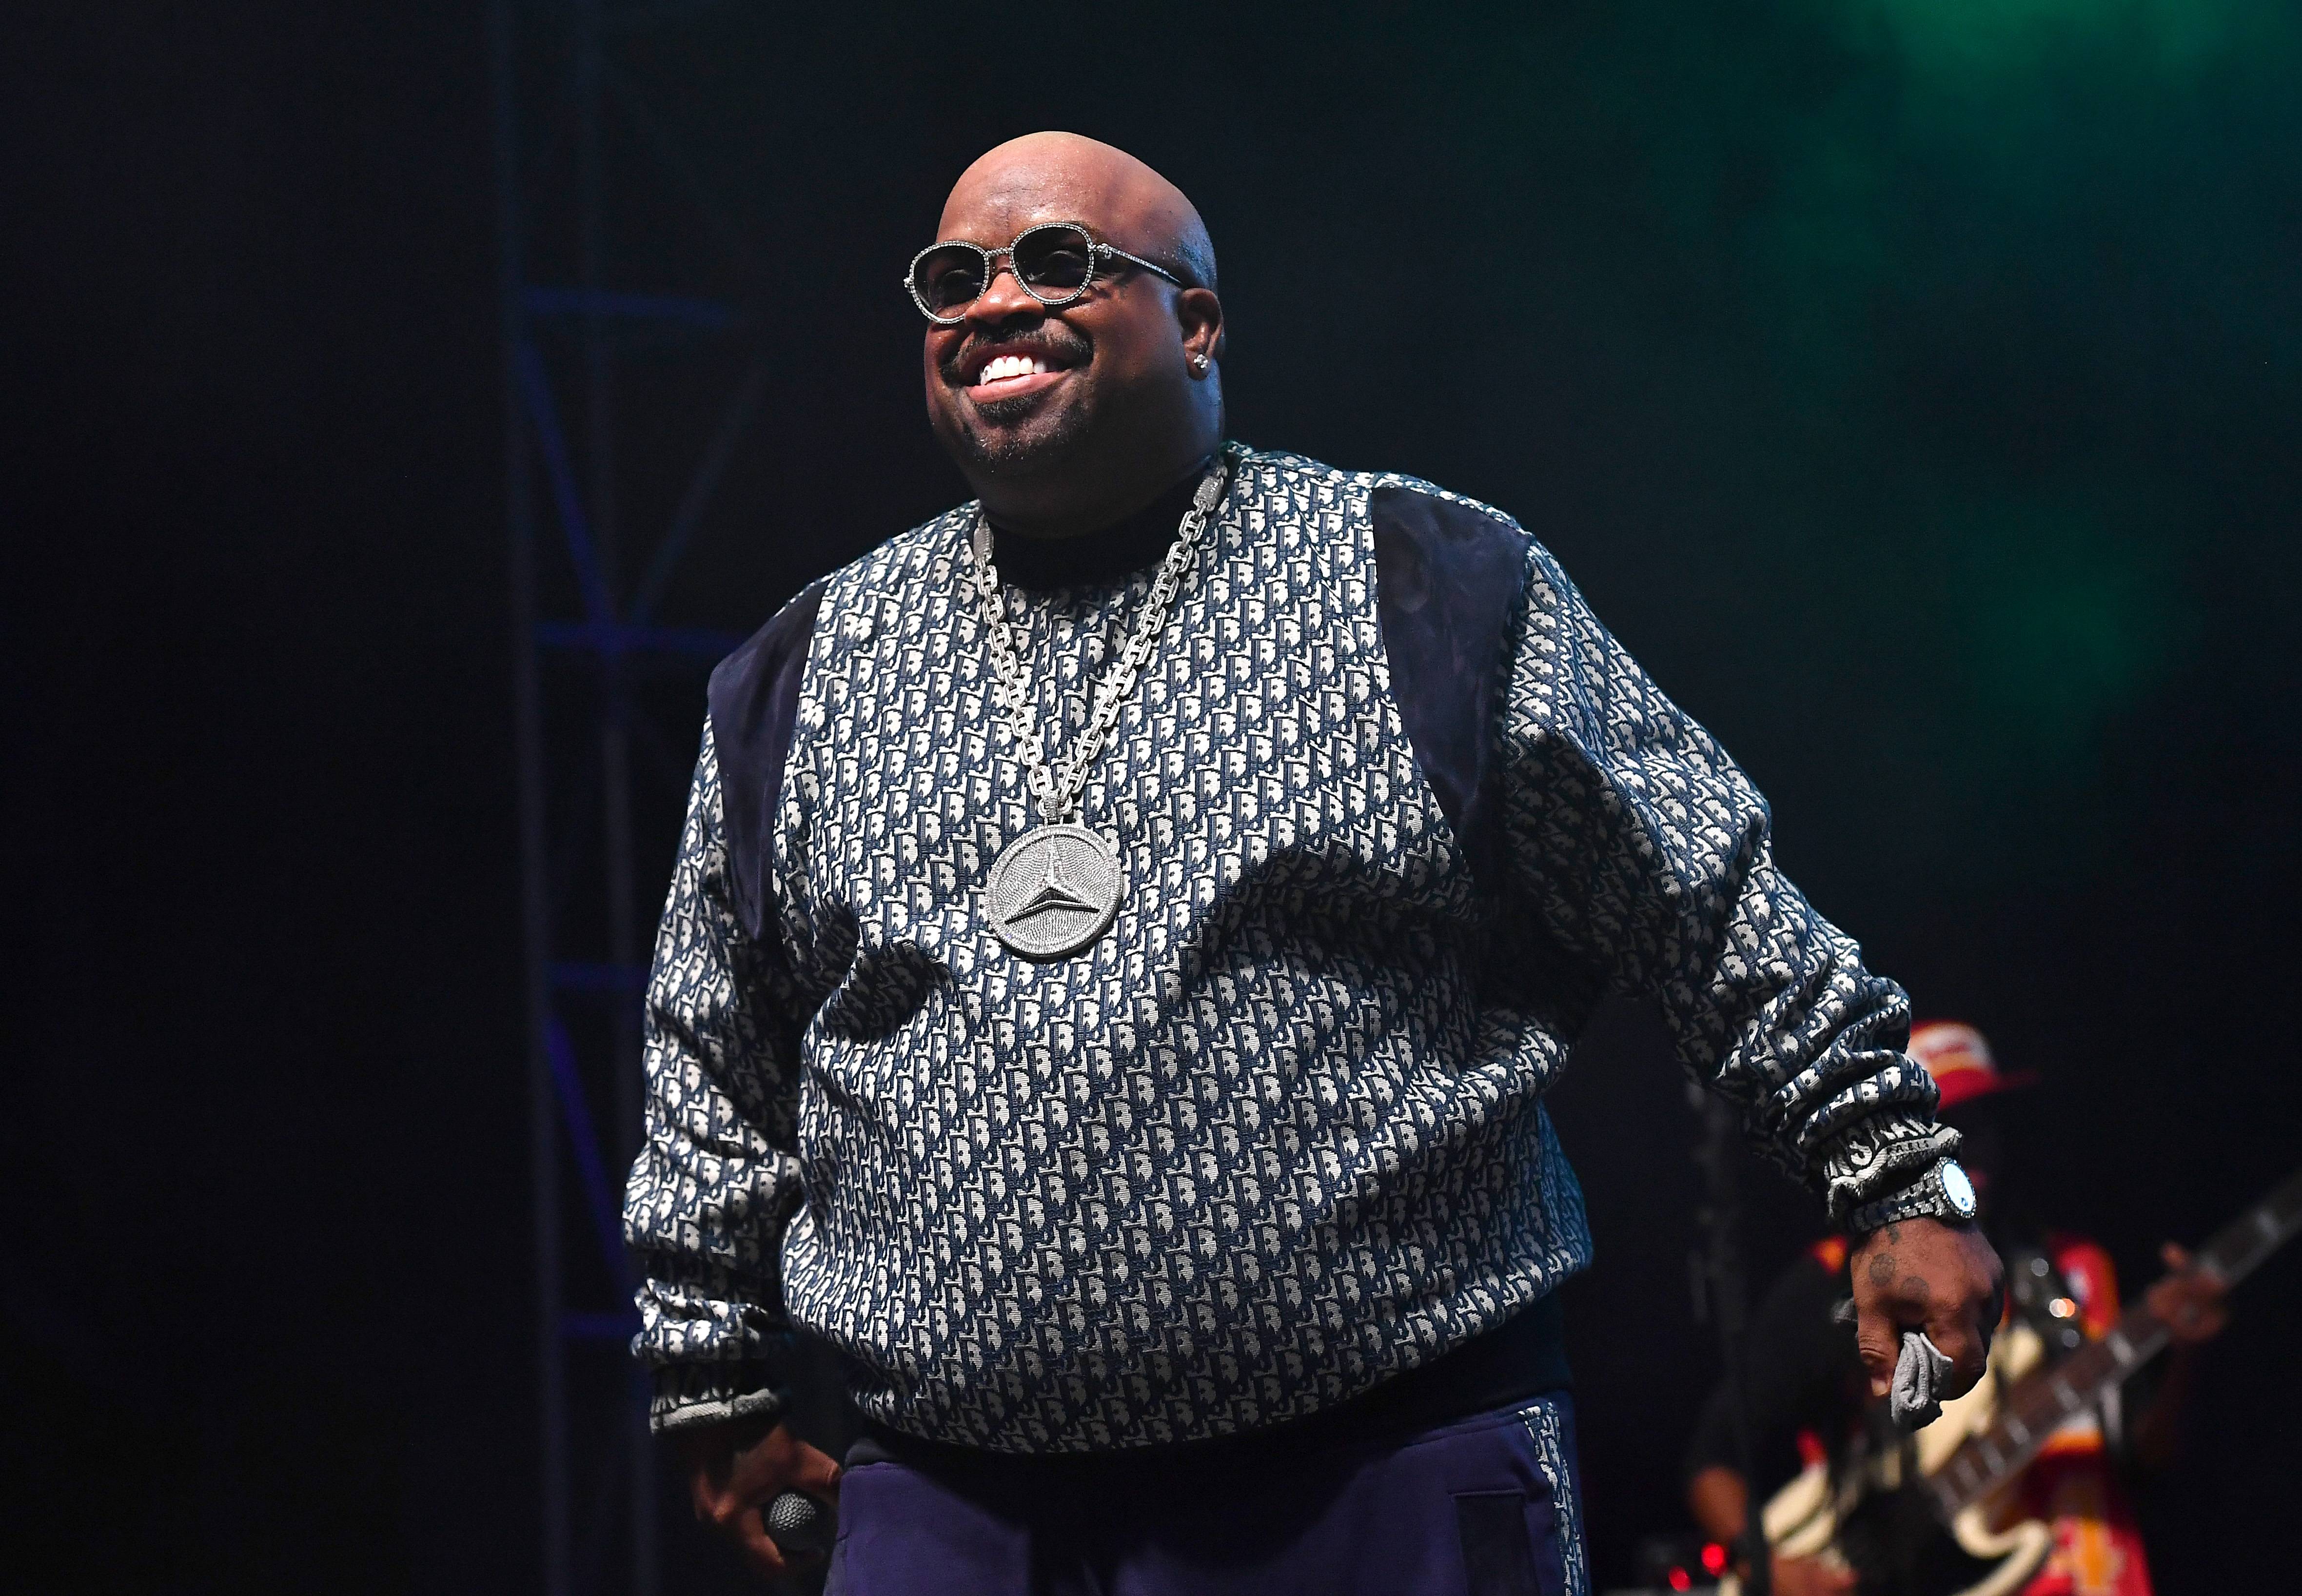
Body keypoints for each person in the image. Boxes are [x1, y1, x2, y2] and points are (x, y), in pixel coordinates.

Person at [622, 131, 2003, 1594]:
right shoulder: (810, 666)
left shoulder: (1423, 580)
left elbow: (1698, 882)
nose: (993, 305)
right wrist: (712, 1373)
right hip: (954, 1502)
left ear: (1198, 322)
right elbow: (711, 1043)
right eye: (954, 278)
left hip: (1382, 1467)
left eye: (1058, 263)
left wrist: (1893, 1171)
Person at [1682, 1022, 2230, 1596]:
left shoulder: (2070, 1268)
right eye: (1950, 1130)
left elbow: (2143, 1455)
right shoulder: (1825, 1288)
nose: (1977, 1152)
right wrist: (1769, 1568)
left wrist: (2184, 1352)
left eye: (1985, 1126)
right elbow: (1712, 1457)